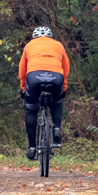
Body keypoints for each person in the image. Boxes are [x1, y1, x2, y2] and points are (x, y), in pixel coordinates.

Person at [18, 26, 70, 161]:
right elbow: (66, 68)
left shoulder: (29, 46)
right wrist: (63, 88)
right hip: (56, 76)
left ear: (35, 37)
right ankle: (57, 128)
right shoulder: (59, 46)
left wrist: (24, 88)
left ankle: (31, 148)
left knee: (31, 109)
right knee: (57, 102)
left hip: (34, 76)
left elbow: (22, 71)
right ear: (50, 36)